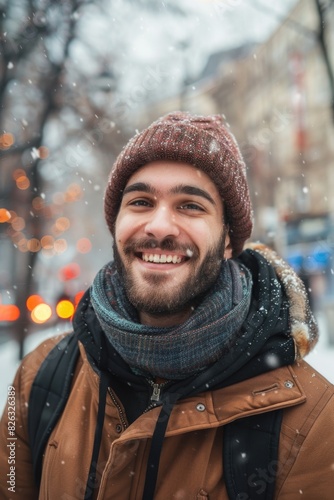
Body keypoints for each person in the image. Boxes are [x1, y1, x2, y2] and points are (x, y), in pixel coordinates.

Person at [0, 111, 333, 500]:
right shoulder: (38, 379)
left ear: (228, 240)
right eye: (141, 201)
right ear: (117, 223)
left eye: (190, 206)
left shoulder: (314, 421)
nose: (159, 226)